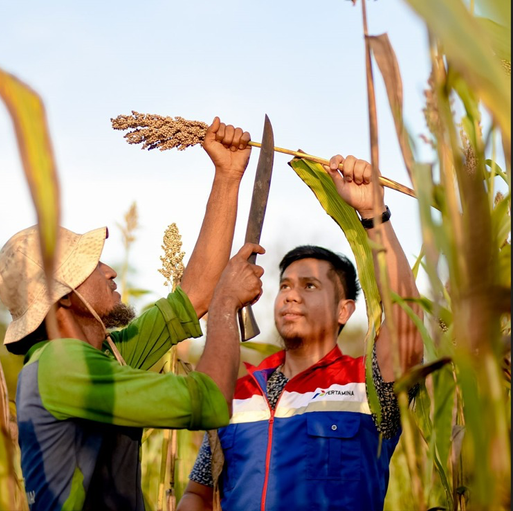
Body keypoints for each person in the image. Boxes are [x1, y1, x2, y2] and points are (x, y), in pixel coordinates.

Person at [0, 117, 265, 511]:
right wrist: (226, 306)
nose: (110, 271)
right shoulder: (63, 368)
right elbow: (210, 402)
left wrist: (227, 175)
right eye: (92, 266)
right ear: (65, 298)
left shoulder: (102, 356)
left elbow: (194, 296)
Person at [178, 155, 424, 511]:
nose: (291, 294)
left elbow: (407, 322)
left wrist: (374, 215)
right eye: (286, 285)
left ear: (345, 310)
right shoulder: (237, 392)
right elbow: (198, 493)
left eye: (309, 286)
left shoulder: (367, 385)